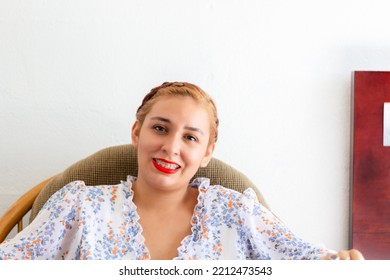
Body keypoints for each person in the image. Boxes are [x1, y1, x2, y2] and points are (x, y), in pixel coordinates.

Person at [0, 82, 364, 260]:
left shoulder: (238, 212)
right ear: (136, 133)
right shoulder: (78, 207)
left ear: (207, 153)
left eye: (190, 137)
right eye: (160, 128)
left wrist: (342, 261)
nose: (171, 146)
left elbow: (309, 261)